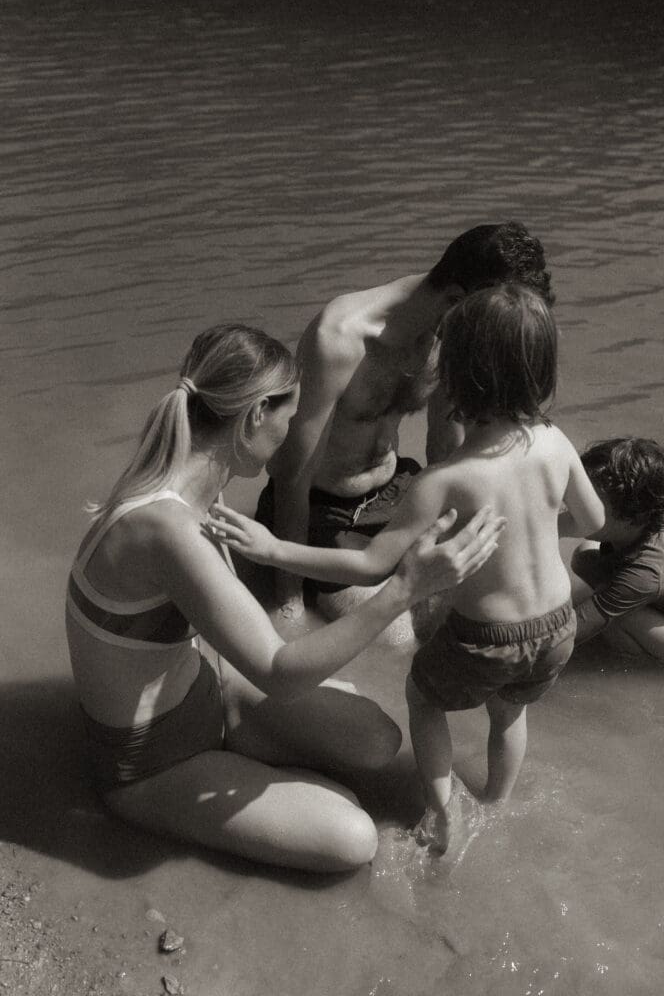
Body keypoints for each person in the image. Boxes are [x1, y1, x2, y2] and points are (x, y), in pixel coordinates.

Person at [65, 323, 505, 874]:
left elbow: (233, 635)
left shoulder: (194, 481)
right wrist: (406, 588)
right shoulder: (167, 528)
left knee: (377, 740)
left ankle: (267, 766)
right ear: (253, 417)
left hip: (206, 693)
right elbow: (278, 671)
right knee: (353, 838)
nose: (298, 435)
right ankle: (239, 784)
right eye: (290, 418)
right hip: (153, 762)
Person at [211, 286, 605, 854]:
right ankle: (498, 800)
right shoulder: (555, 441)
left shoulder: (446, 481)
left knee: (424, 700)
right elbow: (590, 520)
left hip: (486, 638)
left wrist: (274, 550)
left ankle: (442, 815)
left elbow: (371, 565)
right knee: (509, 711)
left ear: (458, 376)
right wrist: (533, 526)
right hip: (556, 627)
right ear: (544, 369)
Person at [256, 222, 554, 626]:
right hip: (325, 511)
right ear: (455, 298)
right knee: (398, 639)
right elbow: (293, 474)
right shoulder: (340, 338)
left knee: (500, 598)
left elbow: (447, 448)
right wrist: (288, 605)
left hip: (401, 492)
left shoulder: (452, 333)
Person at [570, 437, 664, 665]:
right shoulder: (647, 522)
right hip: (656, 587)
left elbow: (571, 631)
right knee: (584, 555)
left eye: (591, 501)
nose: (577, 505)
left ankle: (658, 662)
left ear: (633, 518)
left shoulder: (645, 573)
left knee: (617, 619)